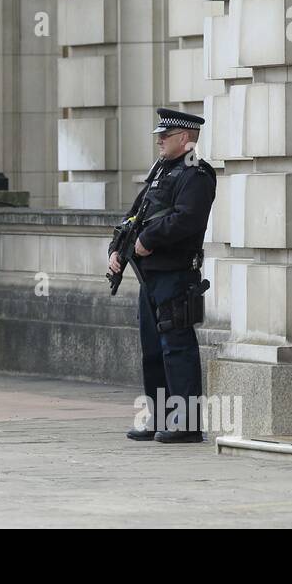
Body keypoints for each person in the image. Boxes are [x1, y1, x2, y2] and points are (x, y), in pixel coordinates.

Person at [109, 108, 216, 443]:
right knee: (153, 350)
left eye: (165, 136)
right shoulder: (161, 171)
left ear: (184, 139)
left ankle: (185, 425)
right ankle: (160, 419)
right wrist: (117, 247)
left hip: (175, 274)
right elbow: (134, 214)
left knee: (177, 348)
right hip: (150, 277)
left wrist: (147, 240)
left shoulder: (196, 174)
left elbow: (187, 220)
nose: (159, 140)